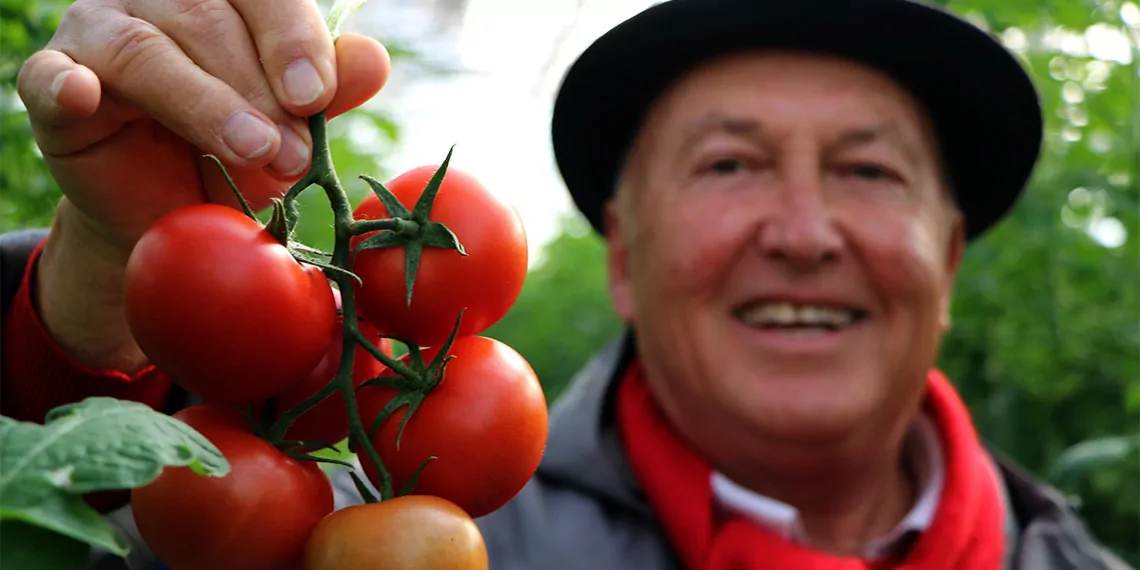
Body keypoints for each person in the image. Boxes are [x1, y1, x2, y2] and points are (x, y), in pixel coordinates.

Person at [0, 0, 1130, 569]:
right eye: (729, 164)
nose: (802, 232)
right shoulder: (385, 538)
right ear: (625, 259)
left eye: (870, 170)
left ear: (950, 256)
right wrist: (109, 299)